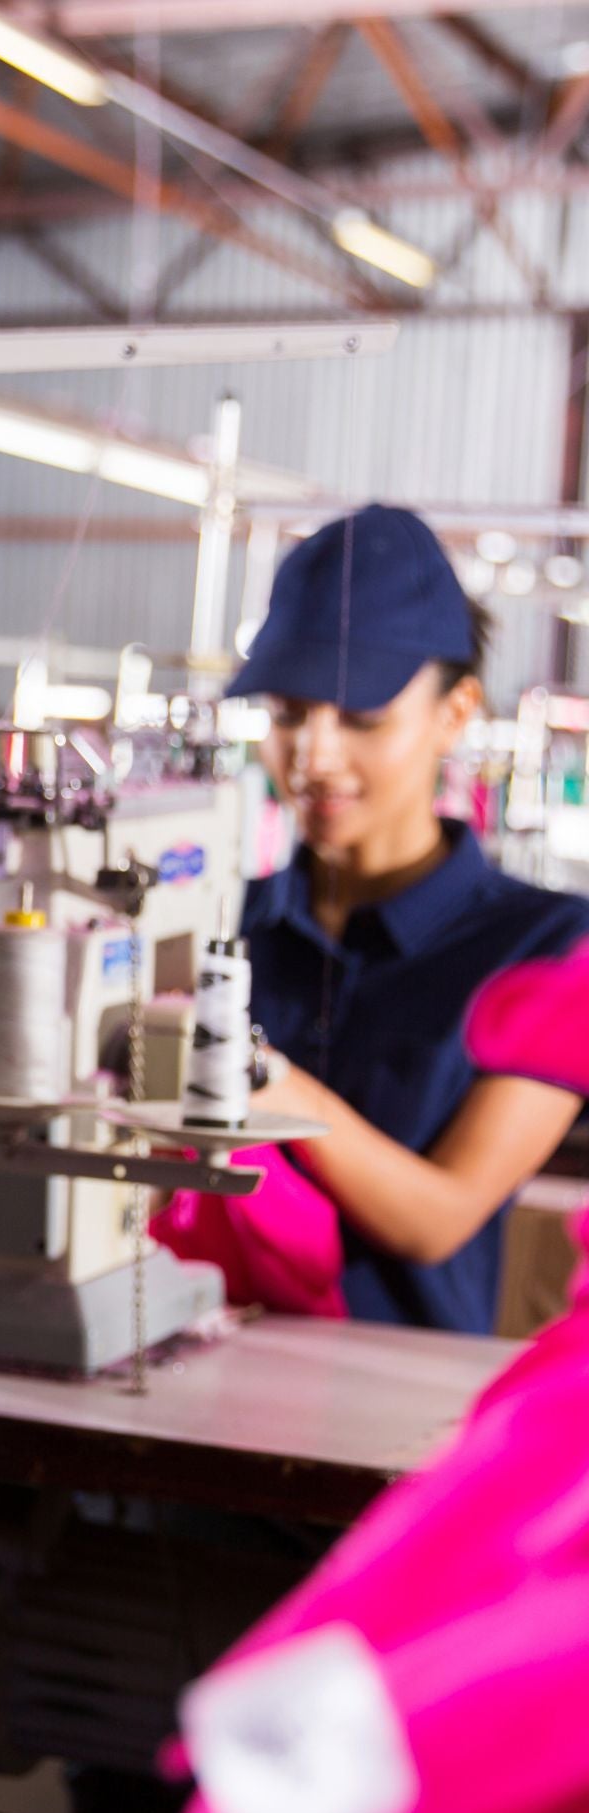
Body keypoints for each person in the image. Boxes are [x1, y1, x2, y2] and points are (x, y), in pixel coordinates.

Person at [236, 504, 589, 1333]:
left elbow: (439, 1217)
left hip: (394, 1427)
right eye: (288, 712)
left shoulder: (549, 951)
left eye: (361, 719)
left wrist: (256, 1077)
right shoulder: (232, 924)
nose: (313, 756)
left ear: (455, 713)